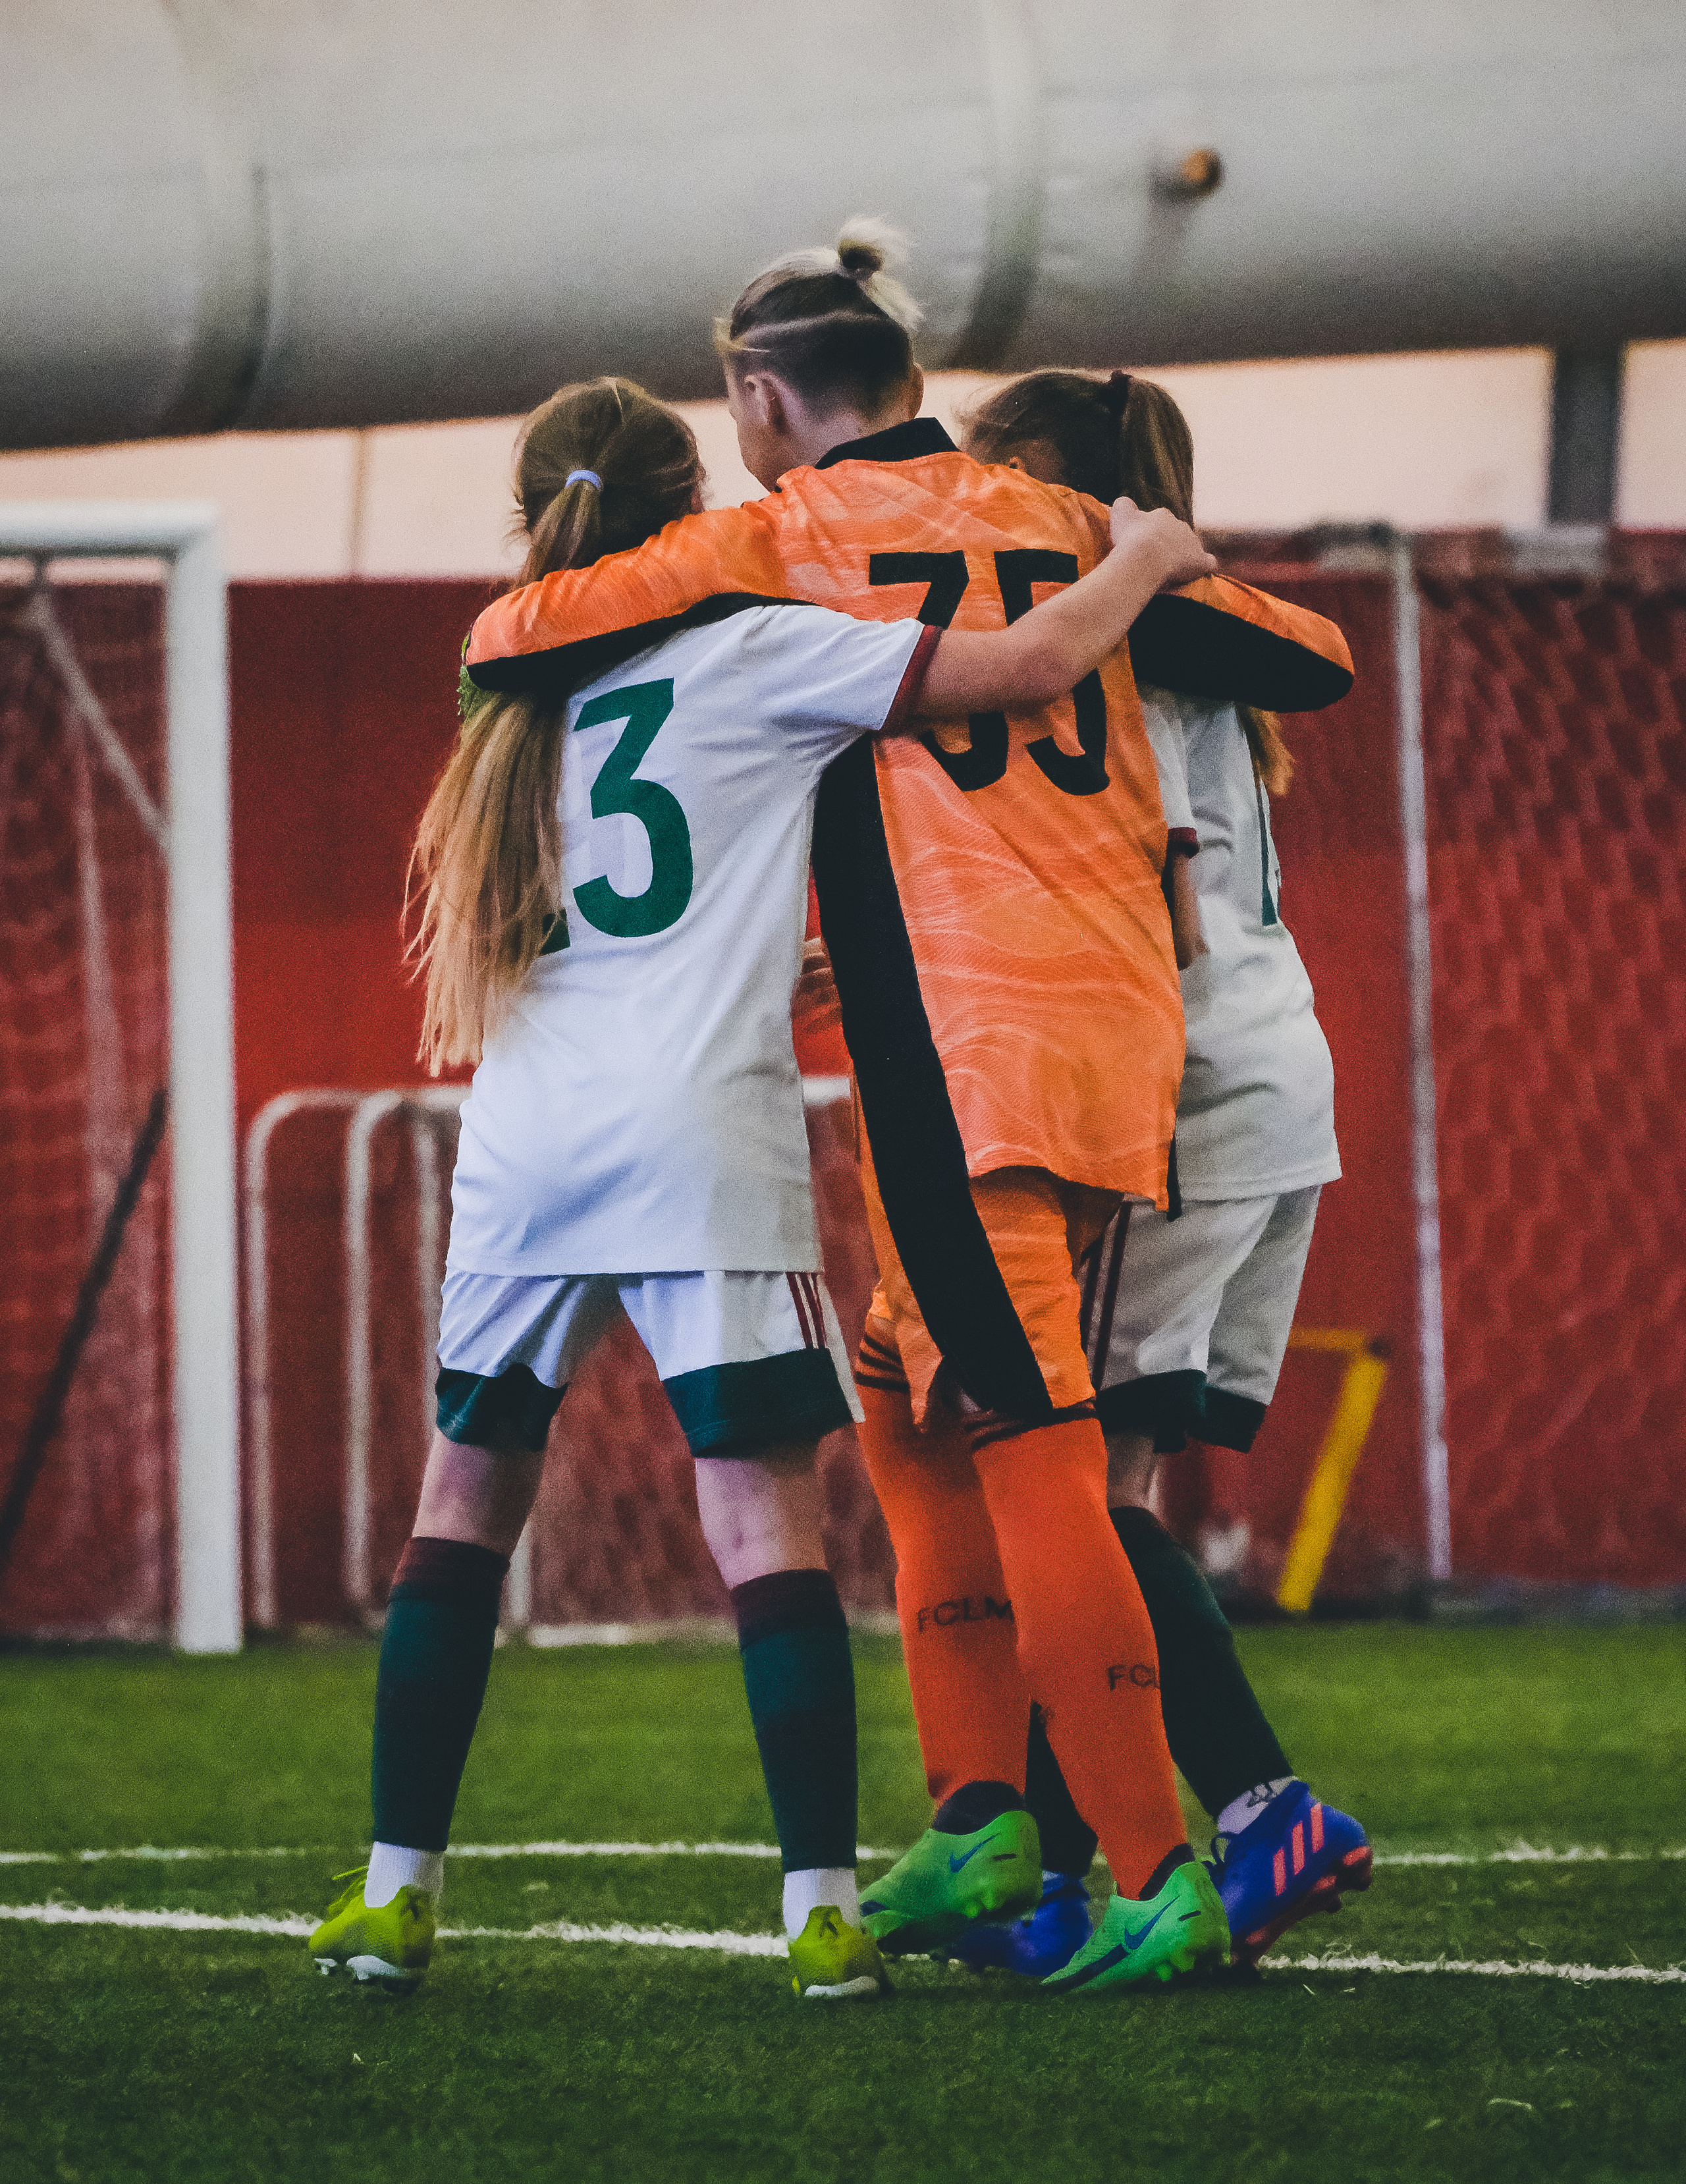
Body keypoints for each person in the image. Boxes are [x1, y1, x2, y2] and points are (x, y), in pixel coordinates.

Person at [462, 227, 1354, 1994]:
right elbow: (1311, 658)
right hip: (1113, 1047)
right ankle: (978, 1813)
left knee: (1029, 1447)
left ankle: (1160, 1858)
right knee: (908, 1402)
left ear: (761, 397)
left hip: (969, 1055)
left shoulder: (780, 539)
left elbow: (515, 637)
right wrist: (1137, 566)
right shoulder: (1061, 516)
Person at [304, 373, 1220, 2000]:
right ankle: (817, 1909)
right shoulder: (759, 640)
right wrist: (1142, 554)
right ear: (702, 509)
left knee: (461, 1512)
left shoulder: (508, 681)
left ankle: (393, 1892)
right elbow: (1020, 671)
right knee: (761, 1525)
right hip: (696, 1130)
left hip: (522, 1134)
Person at [945, 367, 1373, 1977]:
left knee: (1063, 1499)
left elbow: (1161, 904)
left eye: (998, 470)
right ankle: (1082, 1884)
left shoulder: (1102, 648)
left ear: (1066, 489)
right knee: (1111, 1499)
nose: (969, 498)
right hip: (1282, 1076)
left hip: (1181, 1085)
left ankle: (1260, 1803)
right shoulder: (1197, 645)